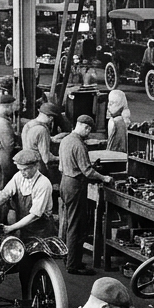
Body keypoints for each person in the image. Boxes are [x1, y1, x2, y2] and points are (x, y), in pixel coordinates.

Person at [58, 114, 113, 275]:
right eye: (88, 130)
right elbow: (87, 171)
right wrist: (105, 177)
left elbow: (64, 165)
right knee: (77, 226)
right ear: (85, 127)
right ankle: (73, 266)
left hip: (65, 181)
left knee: (70, 222)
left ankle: (69, 258)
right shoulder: (79, 145)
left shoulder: (66, 140)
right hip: (75, 186)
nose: (88, 133)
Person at [0, 149, 54, 237]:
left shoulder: (43, 184)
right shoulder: (19, 177)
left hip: (41, 229)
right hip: (25, 226)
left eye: (25, 169)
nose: (22, 173)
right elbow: (3, 196)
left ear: (36, 166)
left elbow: (35, 215)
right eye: (20, 169)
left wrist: (11, 228)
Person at [20, 102, 58, 177]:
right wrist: (58, 157)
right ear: (51, 118)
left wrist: (51, 139)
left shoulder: (28, 124)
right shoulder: (42, 130)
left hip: (26, 164)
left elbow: (32, 140)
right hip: (37, 167)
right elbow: (46, 158)